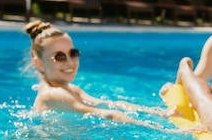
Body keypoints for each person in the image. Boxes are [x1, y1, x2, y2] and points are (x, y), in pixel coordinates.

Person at [24, 20, 184, 131]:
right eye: (59, 56)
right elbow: (107, 114)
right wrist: (166, 131)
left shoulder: (72, 89)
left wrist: (160, 113)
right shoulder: (52, 94)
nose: (69, 61)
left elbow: (111, 104)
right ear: (38, 63)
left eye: (73, 53)